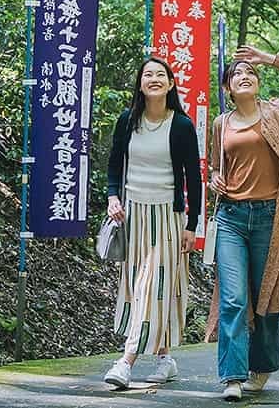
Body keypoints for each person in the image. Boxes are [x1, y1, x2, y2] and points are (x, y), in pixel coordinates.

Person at [206, 45, 279, 401]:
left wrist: (266, 58)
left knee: (265, 296)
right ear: (228, 87)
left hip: (271, 216)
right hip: (231, 218)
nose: (244, 76)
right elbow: (214, 167)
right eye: (237, 73)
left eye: (249, 73)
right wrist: (213, 178)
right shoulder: (221, 124)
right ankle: (232, 377)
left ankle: (262, 367)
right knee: (234, 298)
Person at [102, 56, 202, 389]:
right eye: (148, 75)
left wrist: (192, 224)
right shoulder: (127, 120)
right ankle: (164, 356)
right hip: (133, 214)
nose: (154, 79)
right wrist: (113, 197)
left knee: (152, 284)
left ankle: (126, 360)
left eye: (161, 75)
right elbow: (115, 164)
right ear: (140, 84)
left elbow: (193, 179)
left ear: (171, 84)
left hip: (168, 218)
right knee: (138, 284)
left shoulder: (182, 126)